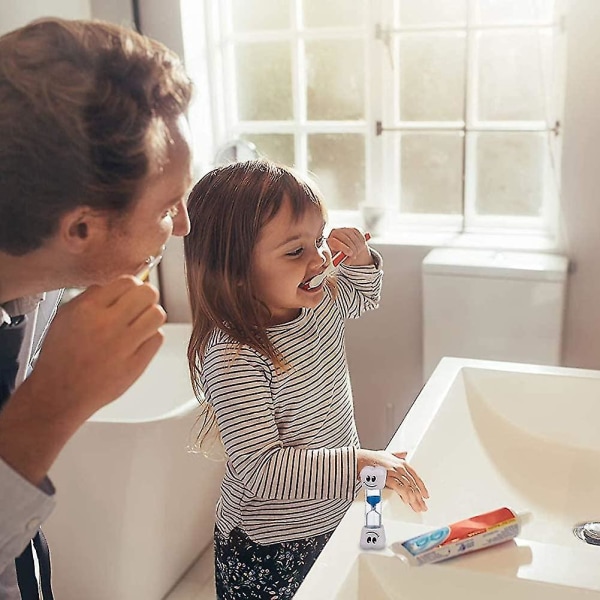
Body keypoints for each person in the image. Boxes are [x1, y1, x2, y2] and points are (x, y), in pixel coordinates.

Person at [0, 17, 194, 599]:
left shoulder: (32, 284)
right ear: (81, 227)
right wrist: (55, 402)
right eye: (167, 207)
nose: (182, 226)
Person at [184, 160, 429, 599]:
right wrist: (360, 463)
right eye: (296, 251)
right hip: (269, 548)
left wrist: (362, 257)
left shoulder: (320, 303)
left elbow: (364, 293)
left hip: (333, 513)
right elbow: (261, 469)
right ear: (235, 270)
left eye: (319, 240)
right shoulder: (235, 354)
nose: (319, 260)